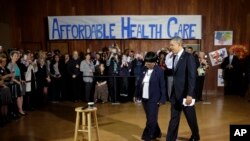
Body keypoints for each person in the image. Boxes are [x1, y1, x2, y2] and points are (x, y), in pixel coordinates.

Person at [166, 37, 200, 141]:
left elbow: (192, 77)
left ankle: (195, 136)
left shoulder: (188, 57)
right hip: (175, 94)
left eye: (172, 45)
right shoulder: (174, 57)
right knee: (174, 118)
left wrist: (190, 94)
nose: (170, 47)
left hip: (186, 95)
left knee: (191, 118)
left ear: (179, 44)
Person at [134, 51, 166, 141]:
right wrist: (136, 95)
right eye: (146, 61)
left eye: (150, 62)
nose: (147, 64)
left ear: (155, 62)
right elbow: (139, 83)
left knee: (151, 119)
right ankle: (157, 132)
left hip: (154, 98)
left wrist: (162, 98)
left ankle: (148, 136)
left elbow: (162, 86)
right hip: (145, 98)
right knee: (150, 117)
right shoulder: (143, 69)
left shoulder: (159, 71)